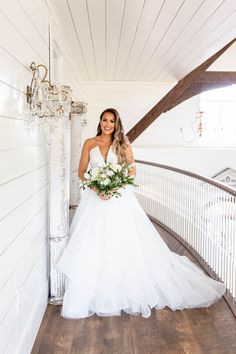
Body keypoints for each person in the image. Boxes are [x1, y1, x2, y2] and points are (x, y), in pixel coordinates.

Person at [56, 108, 226, 319]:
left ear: (117, 124)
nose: (108, 124)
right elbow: (81, 172)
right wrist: (97, 188)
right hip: (95, 201)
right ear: (100, 122)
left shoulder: (123, 144)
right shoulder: (90, 143)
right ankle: (94, 290)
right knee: (94, 242)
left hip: (119, 201)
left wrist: (114, 188)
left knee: (123, 242)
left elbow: (131, 171)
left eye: (112, 121)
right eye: (104, 120)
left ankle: (123, 287)